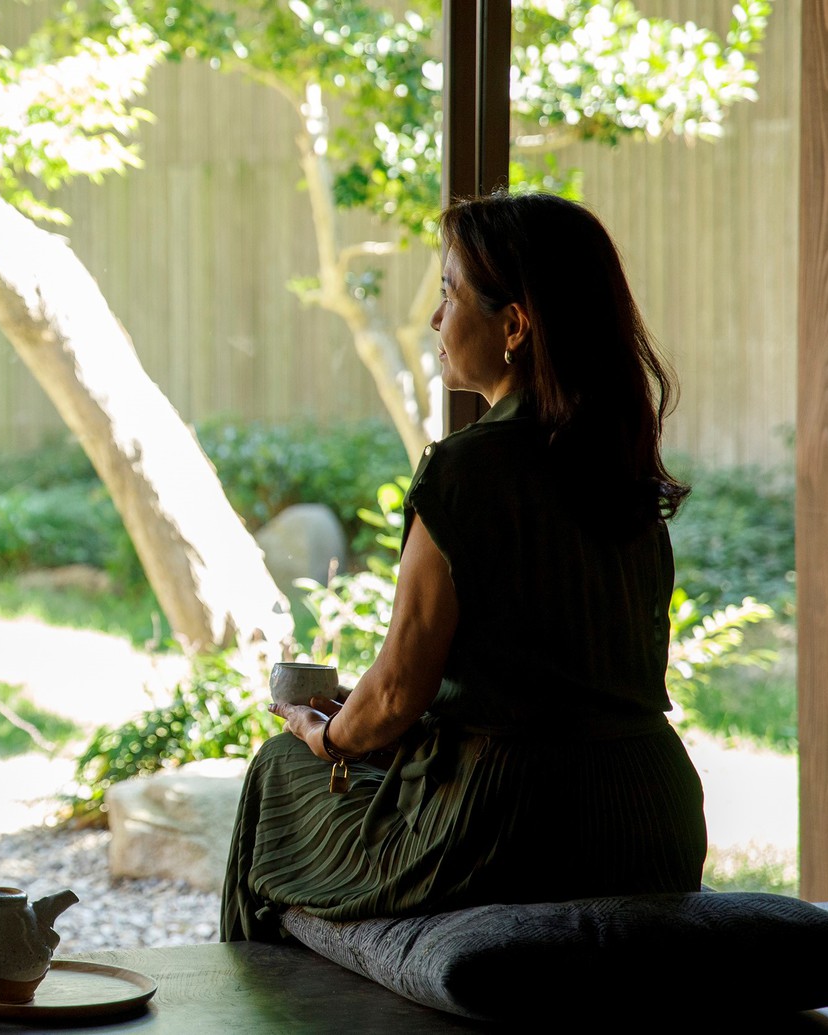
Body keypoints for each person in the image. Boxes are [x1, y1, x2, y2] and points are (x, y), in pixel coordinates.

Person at [220, 189, 708, 942]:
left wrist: (323, 735)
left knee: (276, 777)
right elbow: (569, 680)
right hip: (652, 815)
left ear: (513, 324)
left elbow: (394, 693)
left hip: (512, 821)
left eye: (448, 294)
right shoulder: (624, 467)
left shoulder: (468, 469)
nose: (435, 319)